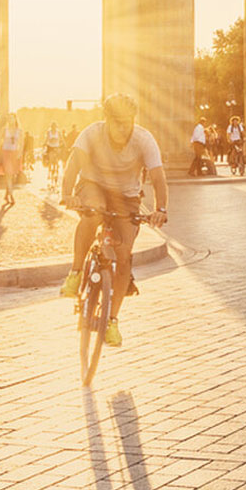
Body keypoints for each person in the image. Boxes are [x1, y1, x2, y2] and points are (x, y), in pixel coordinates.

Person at [60, 93, 167, 348]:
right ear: (105, 119)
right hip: (93, 185)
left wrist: (160, 208)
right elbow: (73, 166)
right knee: (93, 212)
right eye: (116, 121)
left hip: (127, 196)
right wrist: (67, 195)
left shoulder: (144, 140)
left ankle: (112, 320)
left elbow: (158, 177)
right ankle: (75, 271)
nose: (122, 127)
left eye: (127, 121)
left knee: (124, 254)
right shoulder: (91, 134)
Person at [0, 112, 23, 208]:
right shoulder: (5, 130)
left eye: (12, 118)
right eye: (9, 118)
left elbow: (21, 143)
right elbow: (0, 141)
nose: (11, 120)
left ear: (15, 119)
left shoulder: (19, 131)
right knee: (8, 174)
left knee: (12, 175)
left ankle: (6, 194)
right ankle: (12, 195)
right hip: (6, 152)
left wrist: (20, 153)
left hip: (15, 153)